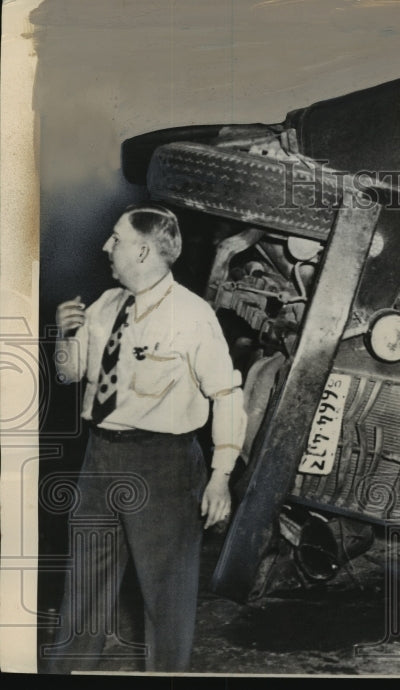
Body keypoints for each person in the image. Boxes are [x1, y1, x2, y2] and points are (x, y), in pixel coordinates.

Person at [45, 204, 247, 672]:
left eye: (115, 239)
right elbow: (70, 373)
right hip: (100, 458)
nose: (105, 247)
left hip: (164, 464)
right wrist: (65, 336)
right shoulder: (104, 306)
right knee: (84, 588)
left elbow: (227, 393)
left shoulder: (192, 315)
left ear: (141, 250)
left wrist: (221, 475)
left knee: (166, 594)